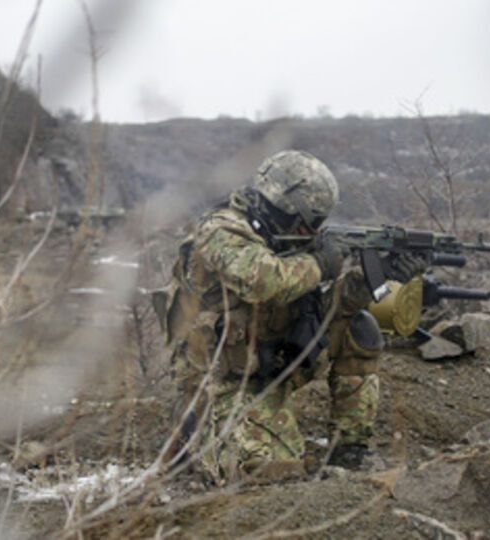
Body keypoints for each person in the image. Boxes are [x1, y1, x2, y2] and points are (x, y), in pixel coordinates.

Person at [158, 150, 425, 483]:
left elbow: (327, 306)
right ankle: (192, 432)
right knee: (266, 476)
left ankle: (349, 450)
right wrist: (321, 263)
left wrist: (379, 275)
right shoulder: (220, 230)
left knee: (359, 327)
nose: (313, 230)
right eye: (311, 221)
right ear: (285, 208)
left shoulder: (284, 237)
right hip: (220, 381)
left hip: (272, 358)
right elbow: (263, 281)